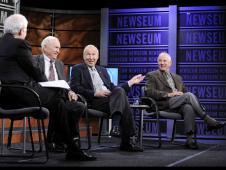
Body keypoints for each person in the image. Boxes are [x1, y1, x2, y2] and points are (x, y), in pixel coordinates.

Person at [0, 14, 96, 161]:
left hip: (5, 97)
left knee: (59, 103)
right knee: (59, 97)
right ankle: (69, 146)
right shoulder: (20, 44)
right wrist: (50, 85)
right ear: (21, 30)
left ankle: (68, 146)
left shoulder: (2, 44)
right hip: (22, 94)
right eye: (25, 30)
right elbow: (35, 71)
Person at [70, 44, 145, 152]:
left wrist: (131, 82)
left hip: (109, 100)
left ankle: (116, 129)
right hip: (93, 101)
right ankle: (126, 140)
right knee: (123, 102)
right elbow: (75, 87)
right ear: (83, 56)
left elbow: (113, 88)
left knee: (120, 92)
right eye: (88, 55)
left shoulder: (102, 70)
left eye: (93, 54)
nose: (91, 57)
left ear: (98, 56)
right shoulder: (78, 69)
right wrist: (95, 93)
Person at [144, 51, 226, 149]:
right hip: (163, 104)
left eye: (165, 61)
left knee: (188, 107)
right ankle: (208, 120)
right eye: (160, 61)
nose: (162, 63)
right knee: (188, 96)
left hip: (178, 104)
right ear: (157, 62)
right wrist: (169, 94)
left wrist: (181, 95)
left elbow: (185, 92)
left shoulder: (177, 78)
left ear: (170, 63)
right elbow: (149, 92)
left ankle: (189, 140)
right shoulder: (152, 75)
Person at [34, 36, 85, 153]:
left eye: (59, 48)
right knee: (60, 104)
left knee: (78, 106)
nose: (58, 51)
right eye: (56, 47)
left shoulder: (60, 64)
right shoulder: (35, 60)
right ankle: (68, 140)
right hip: (41, 98)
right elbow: (32, 83)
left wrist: (70, 92)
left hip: (60, 97)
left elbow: (64, 83)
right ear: (45, 47)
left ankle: (58, 141)